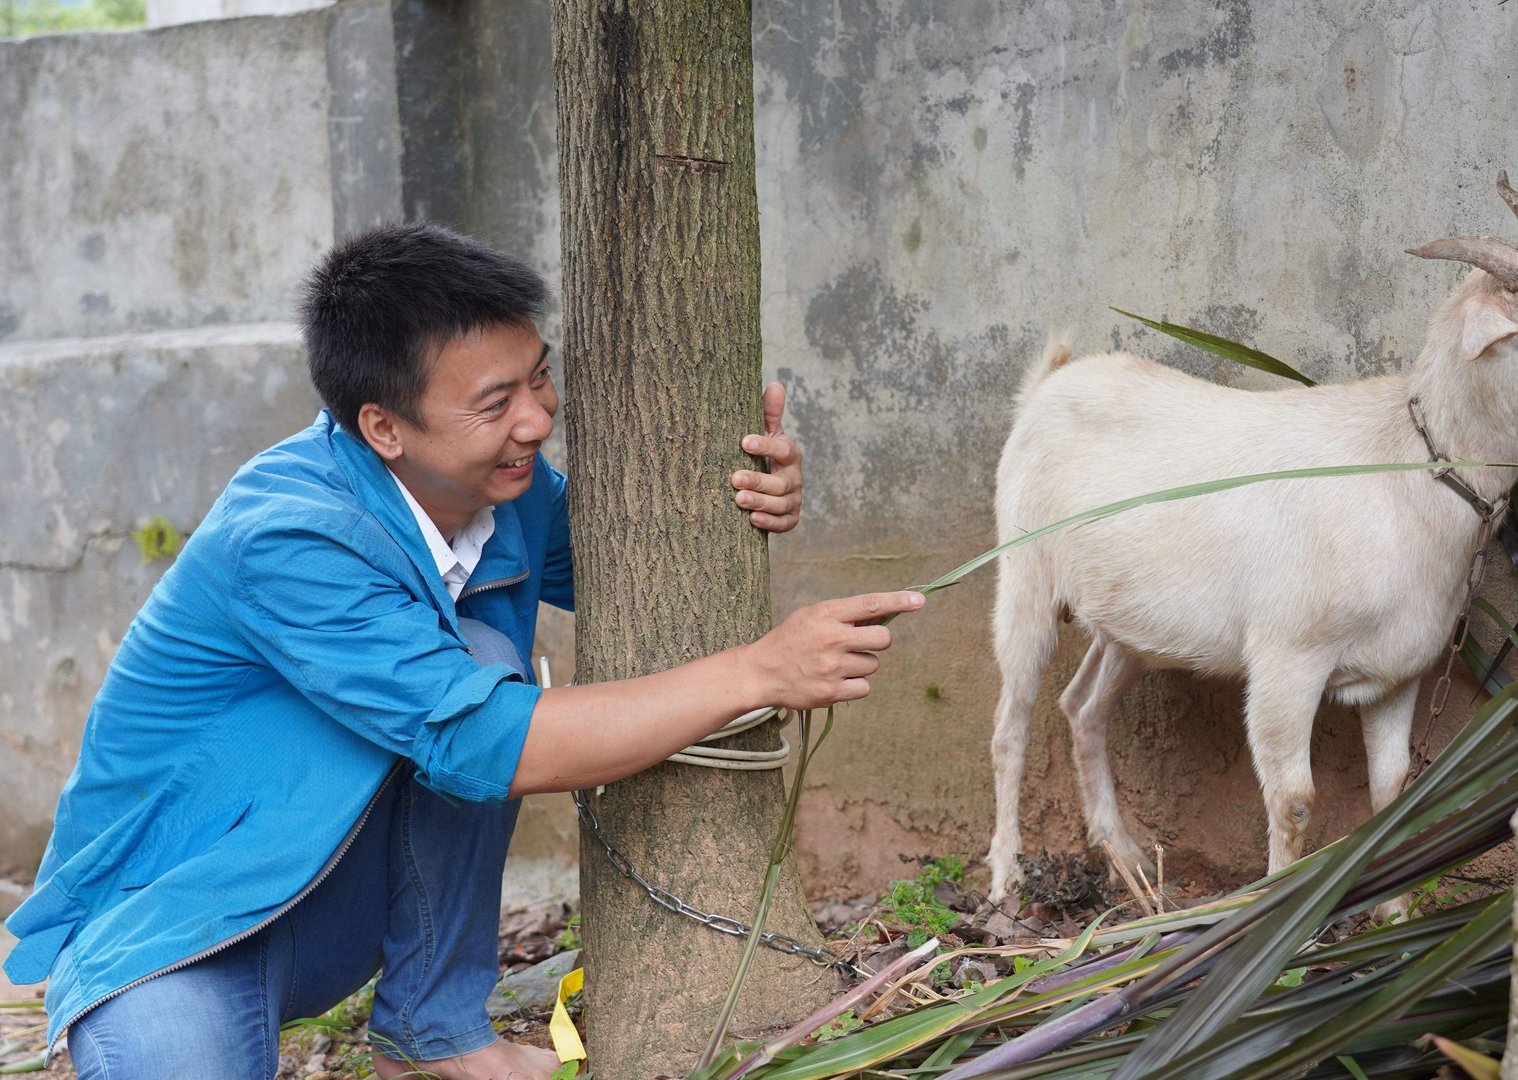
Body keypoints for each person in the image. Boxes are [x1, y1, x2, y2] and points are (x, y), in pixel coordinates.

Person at [3, 223, 924, 1080]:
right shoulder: (289, 539)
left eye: (539, 378)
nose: (535, 420)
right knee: (471, 689)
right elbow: (483, 742)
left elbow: (637, 553)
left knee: (478, 648)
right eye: (496, 403)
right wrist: (759, 671)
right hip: (177, 932)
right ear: (383, 426)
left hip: (327, 905)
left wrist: (747, 491)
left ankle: (435, 1027)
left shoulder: (498, 485)